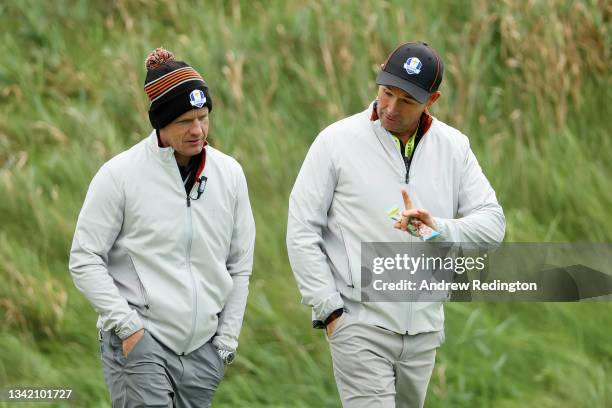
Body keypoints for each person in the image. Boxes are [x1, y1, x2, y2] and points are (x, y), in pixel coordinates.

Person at [286, 41, 505, 407]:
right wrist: (330, 311)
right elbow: (302, 227)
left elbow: (493, 225)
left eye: (406, 101)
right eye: (387, 92)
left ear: (431, 100)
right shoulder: (335, 142)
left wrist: (437, 228)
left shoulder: (454, 147)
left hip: (424, 332)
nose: (390, 107)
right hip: (358, 325)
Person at [69, 48, 255, 407]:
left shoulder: (230, 174)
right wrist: (128, 327)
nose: (198, 130)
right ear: (161, 123)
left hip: (204, 353)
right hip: (141, 345)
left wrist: (225, 345)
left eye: (203, 117)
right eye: (185, 121)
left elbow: (240, 264)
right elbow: (84, 258)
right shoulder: (119, 176)